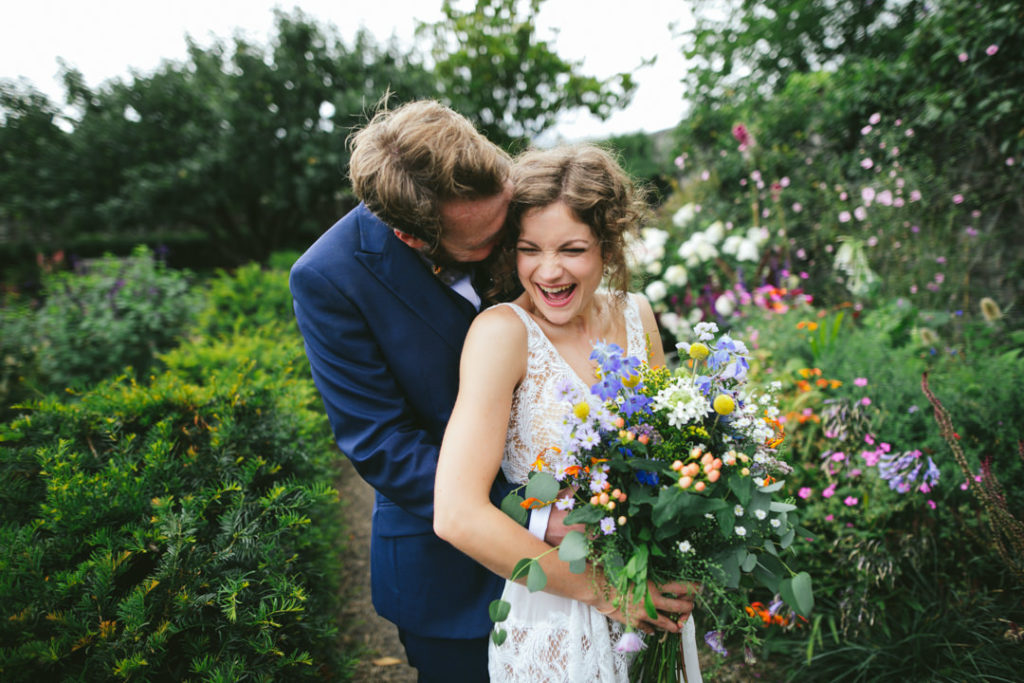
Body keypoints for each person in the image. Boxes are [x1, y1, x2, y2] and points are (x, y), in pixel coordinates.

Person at [434, 144, 697, 682]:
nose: (548, 271)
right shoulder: (502, 334)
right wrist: (606, 591)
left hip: (649, 594)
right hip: (557, 608)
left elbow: (669, 459)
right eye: (530, 249)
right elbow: (456, 514)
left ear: (608, 243)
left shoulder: (636, 312)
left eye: (572, 249)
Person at [289, 99, 516, 682]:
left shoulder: (516, 199)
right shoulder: (328, 277)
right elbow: (381, 441)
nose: (506, 243)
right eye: (481, 243)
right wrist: (527, 514)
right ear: (412, 237)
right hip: (449, 571)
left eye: (504, 222)